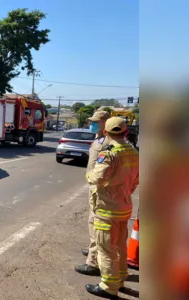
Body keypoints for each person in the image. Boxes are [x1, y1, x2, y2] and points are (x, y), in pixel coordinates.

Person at [84, 117, 139, 299]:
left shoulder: (108, 154)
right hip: (124, 208)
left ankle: (108, 286)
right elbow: (136, 180)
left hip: (107, 210)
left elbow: (96, 178)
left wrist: (89, 175)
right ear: (125, 132)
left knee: (106, 249)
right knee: (120, 246)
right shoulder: (134, 152)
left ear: (106, 133)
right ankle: (120, 279)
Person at [75, 110, 110, 276]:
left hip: (100, 189)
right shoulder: (98, 138)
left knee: (97, 223)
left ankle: (93, 261)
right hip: (94, 187)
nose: (92, 124)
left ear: (105, 123)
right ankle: (92, 250)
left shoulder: (108, 141)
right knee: (92, 222)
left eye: (96, 122)